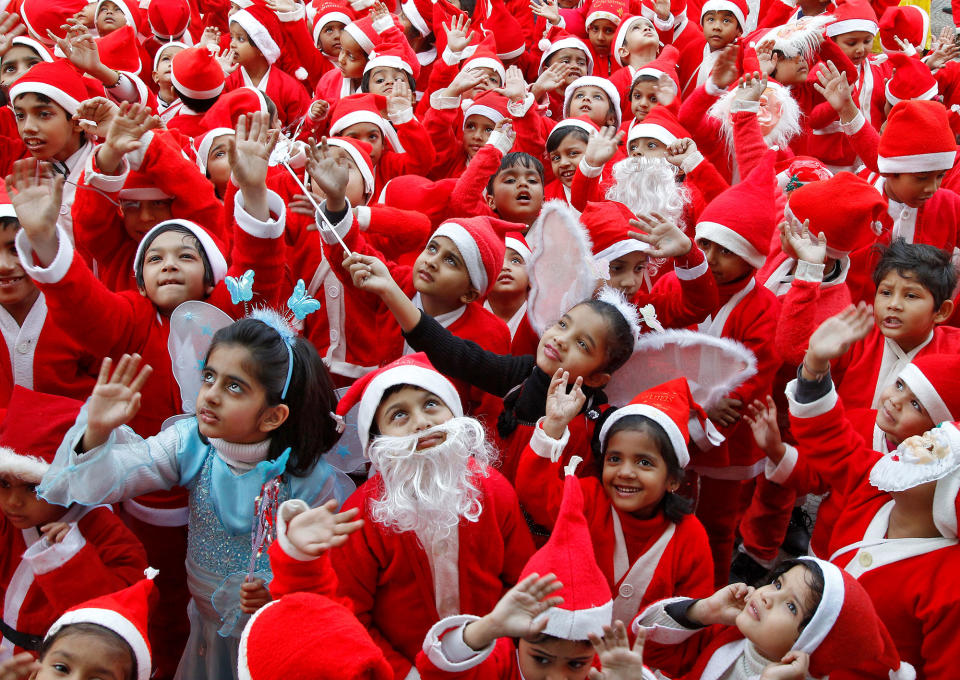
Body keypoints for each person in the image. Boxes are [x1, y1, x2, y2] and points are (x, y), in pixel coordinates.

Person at [36, 317, 352, 679]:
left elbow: (327, 571)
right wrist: (96, 431)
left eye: (234, 387)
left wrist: (278, 595)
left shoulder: (310, 481)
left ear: (272, 416)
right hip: (204, 626)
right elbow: (106, 480)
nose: (211, 394)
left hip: (276, 634)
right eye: (208, 377)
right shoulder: (191, 443)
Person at [757, 304, 960, 677]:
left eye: (933, 446)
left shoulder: (950, 585)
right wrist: (815, 366)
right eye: (900, 383)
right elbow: (832, 437)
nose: (913, 449)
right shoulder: (879, 482)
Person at [326, 354, 535, 679]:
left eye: (431, 405)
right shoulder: (362, 514)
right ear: (378, 442)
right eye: (399, 415)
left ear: (454, 414)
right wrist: (402, 673)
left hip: (490, 664)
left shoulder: (495, 491)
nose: (421, 422)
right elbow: (347, 611)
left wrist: (503, 647)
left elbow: (520, 580)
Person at [517, 374, 715, 671]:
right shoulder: (587, 498)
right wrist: (554, 425)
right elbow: (535, 492)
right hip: (570, 664)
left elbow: (690, 624)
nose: (625, 472)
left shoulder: (690, 536)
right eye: (614, 459)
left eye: (644, 462)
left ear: (673, 479)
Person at [416, 459, 655, 680]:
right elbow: (434, 669)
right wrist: (488, 627)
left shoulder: (608, 670)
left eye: (575, 665)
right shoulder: (499, 661)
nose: (555, 678)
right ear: (519, 640)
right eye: (541, 659)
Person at [0, 386, 148, 662]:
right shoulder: (6, 522)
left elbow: (123, 611)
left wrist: (71, 558)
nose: (12, 502)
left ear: (67, 481)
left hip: (58, 668)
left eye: (32, 488)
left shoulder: (102, 529)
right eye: (4, 484)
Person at [632, 557, 913, 679]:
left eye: (791, 607)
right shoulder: (735, 637)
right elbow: (649, 647)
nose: (768, 595)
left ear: (809, 642)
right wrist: (704, 612)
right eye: (778, 584)